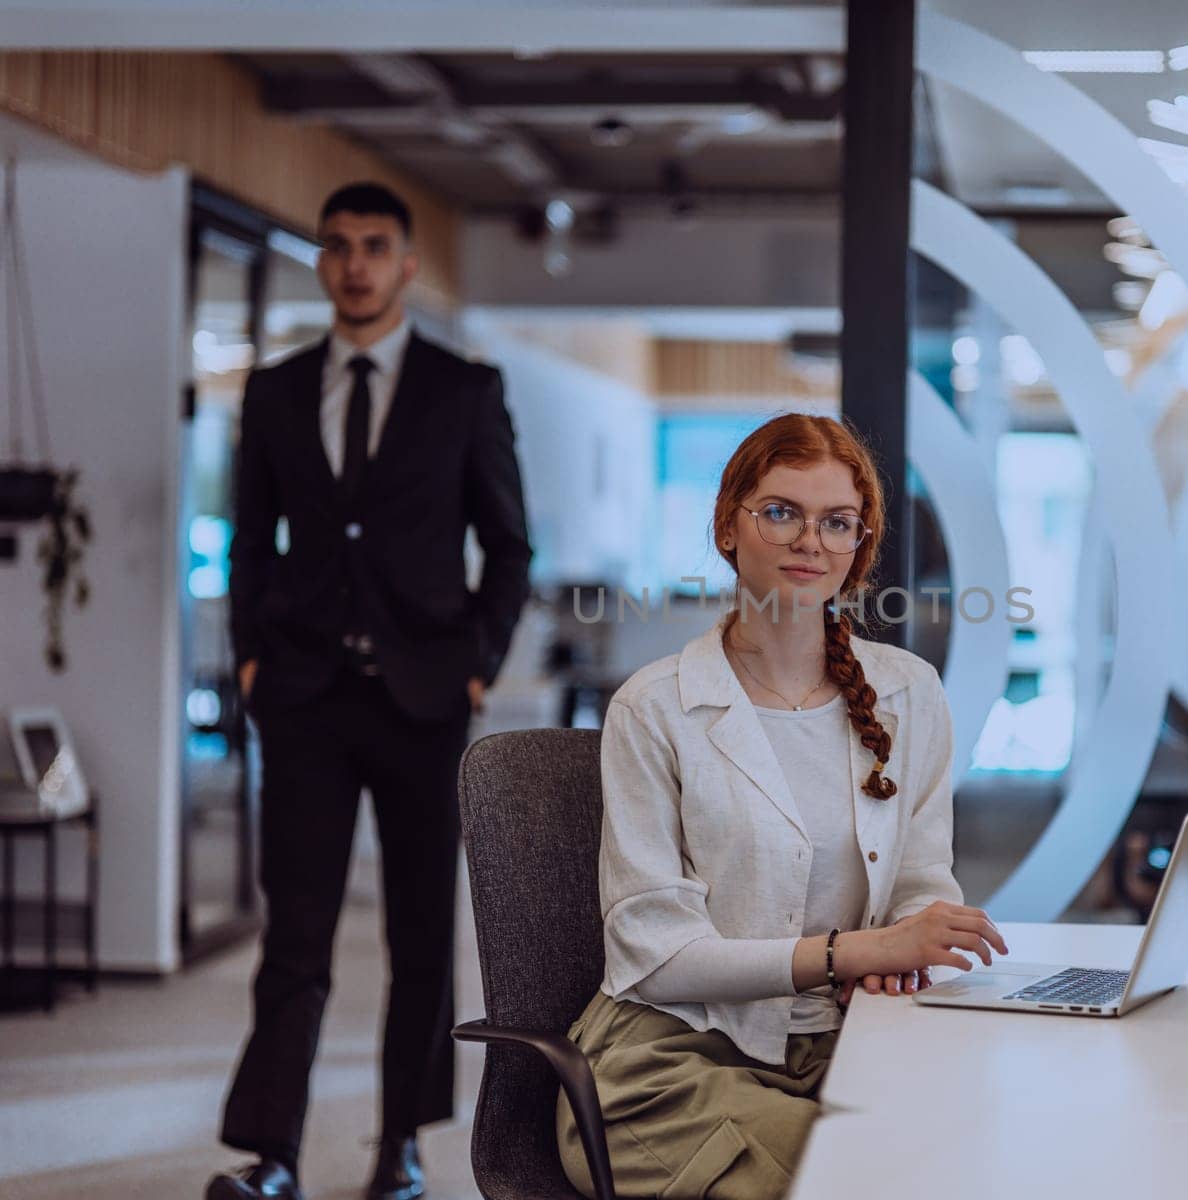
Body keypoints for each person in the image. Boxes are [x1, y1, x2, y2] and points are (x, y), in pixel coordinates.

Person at [555, 413, 1007, 1199]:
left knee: (981, 1153)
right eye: (780, 512)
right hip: (672, 1064)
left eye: (837, 522)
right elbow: (657, 957)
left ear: (859, 546)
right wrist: (856, 953)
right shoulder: (653, 708)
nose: (811, 541)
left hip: (852, 1041)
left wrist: (910, 943)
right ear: (730, 526)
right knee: (872, 1179)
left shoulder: (908, 693)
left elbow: (922, 875)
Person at [209, 183, 533, 1200]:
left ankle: (400, 1144)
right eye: (338, 246)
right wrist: (252, 660)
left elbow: (510, 544)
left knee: (420, 935)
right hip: (301, 693)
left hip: (424, 697)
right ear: (323, 263)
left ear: (405, 266)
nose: (354, 263)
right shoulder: (273, 391)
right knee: (293, 938)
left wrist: (477, 659)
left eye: (374, 246)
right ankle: (273, 1155)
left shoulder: (464, 390)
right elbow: (248, 539)